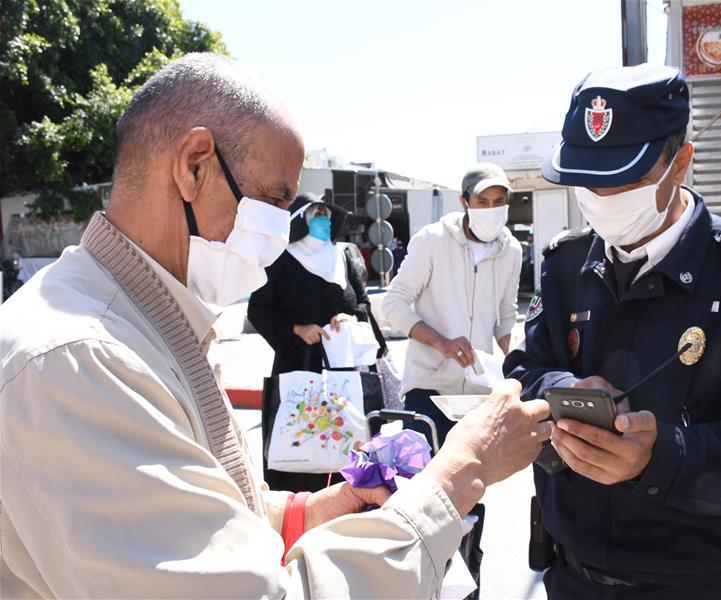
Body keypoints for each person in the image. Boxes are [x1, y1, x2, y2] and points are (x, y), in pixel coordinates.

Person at [0, 52, 552, 598]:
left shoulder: (146, 323)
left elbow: (212, 517)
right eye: (273, 200)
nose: (279, 231)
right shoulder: (79, 362)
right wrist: (459, 474)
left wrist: (311, 511)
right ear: (194, 165)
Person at [504, 64, 721, 599]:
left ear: (680, 162)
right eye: (587, 179)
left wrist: (663, 457)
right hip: (568, 578)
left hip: (696, 586)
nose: (601, 196)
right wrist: (562, 389)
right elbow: (523, 370)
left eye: (624, 178)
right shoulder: (563, 265)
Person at [382, 163, 522, 444]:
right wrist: (441, 343)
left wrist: (518, 360)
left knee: (472, 483)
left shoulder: (512, 251)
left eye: (499, 201)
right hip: (428, 388)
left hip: (478, 394)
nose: (491, 208)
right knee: (423, 481)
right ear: (464, 202)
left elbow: (506, 315)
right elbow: (393, 303)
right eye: (482, 201)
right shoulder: (433, 240)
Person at [248, 194, 372, 493]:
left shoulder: (343, 257)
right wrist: (296, 329)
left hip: (343, 368)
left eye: (327, 214)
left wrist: (350, 320)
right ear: (300, 219)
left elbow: (364, 305)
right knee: (298, 450)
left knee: (346, 450)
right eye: (317, 213)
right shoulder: (281, 261)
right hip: (298, 365)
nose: (324, 219)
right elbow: (258, 310)